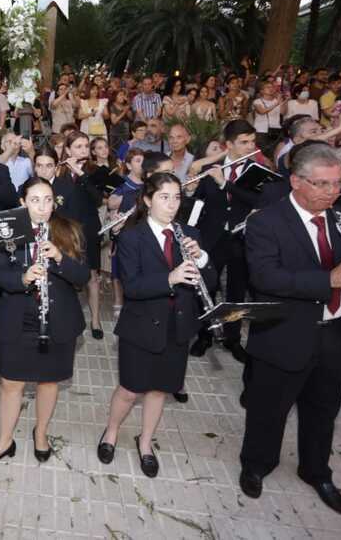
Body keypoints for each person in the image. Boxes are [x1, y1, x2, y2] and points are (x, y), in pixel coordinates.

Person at [240, 143, 341, 516]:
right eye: (322, 184)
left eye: (337, 183)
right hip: (285, 332)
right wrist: (329, 278)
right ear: (296, 181)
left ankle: (316, 471)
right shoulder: (265, 221)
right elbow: (266, 278)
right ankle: (256, 464)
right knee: (269, 409)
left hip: (333, 332)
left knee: (323, 408)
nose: (333, 192)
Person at [97, 173, 215, 475]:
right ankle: (111, 431)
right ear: (148, 200)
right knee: (129, 388)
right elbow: (133, 287)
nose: (172, 204)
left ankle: (146, 441)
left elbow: (209, 282)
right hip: (140, 326)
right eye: (164, 197)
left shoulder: (189, 233)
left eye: (177, 197)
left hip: (177, 326)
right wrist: (170, 278)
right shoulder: (131, 237)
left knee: (159, 390)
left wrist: (201, 259)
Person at [0, 178, 88, 466]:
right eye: (35, 200)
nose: (42, 207)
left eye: (48, 199)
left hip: (58, 318)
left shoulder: (69, 229)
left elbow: (83, 277)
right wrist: (22, 278)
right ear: (22, 203)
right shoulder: (8, 231)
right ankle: (5, 440)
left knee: (49, 382)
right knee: (10, 383)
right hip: (18, 317)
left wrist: (60, 258)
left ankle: (41, 432)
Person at [189, 120, 261, 361]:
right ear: (228, 145)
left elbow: (257, 201)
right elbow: (198, 202)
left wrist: (225, 184)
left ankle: (233, 338)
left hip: (241, 239)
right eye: (244, 142)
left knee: (237, 292)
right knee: (205, 287)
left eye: (252, 141)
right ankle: (204, 335)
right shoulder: (209, 167)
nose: (250, 146)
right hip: (212, 238)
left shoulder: (257, 171)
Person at [57, 132, 103, 338]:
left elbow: (98, 199)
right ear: (67, 150)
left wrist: (82, 174)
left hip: (89, 230)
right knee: (65, 273)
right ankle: (66, 316)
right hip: (65, 230)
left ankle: (95, 320)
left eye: (85, 146)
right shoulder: (60, 173)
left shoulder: (95, 171)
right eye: (78, 146)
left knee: (92, 276)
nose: (83, 150)